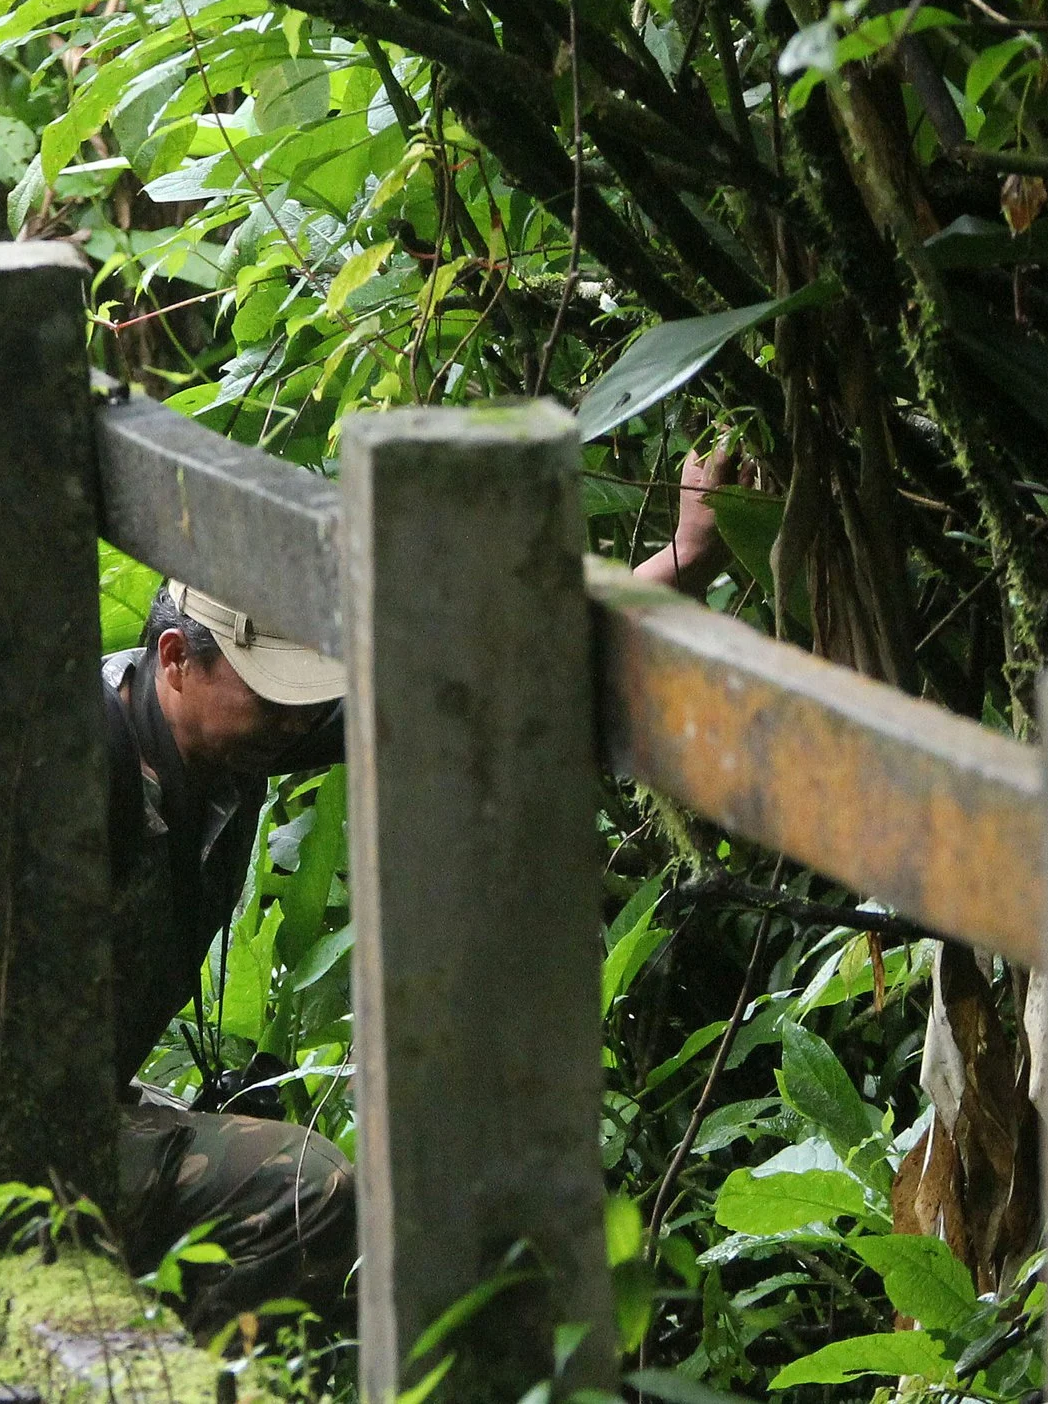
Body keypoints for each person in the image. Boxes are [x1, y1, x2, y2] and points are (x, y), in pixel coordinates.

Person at [102, 444, 737, 1332]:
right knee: (304, 1191)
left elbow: (485, 670)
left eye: (302, 695)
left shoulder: (240, 734)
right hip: (10, 1119)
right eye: (268, 696)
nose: (291, 721)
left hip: (90, 1097)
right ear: (175, 659)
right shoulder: (82, 762)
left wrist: (683, 558)